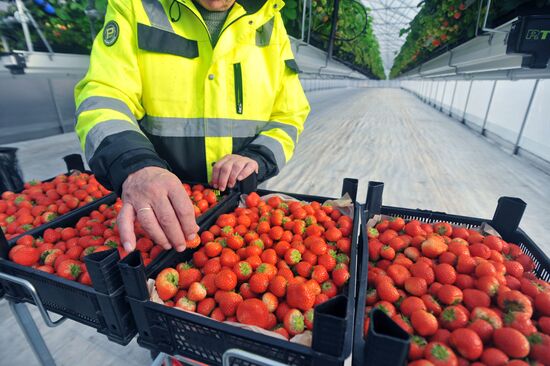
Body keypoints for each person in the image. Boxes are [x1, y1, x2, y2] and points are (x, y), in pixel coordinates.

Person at [74, 0, 310, 254]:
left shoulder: (269, 19)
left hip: (238, 212)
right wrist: (135, 165)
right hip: (155, 207)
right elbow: (105, 96)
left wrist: (258, 157)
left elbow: (289, 112)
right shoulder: (135, 6)